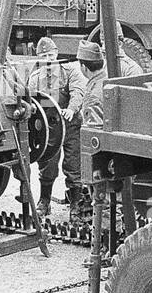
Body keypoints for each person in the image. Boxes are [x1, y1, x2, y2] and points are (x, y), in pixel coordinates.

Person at [27, 37, 85, 217]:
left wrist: (71, 109)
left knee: (74, 165)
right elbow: (31, 100)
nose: (48, 59)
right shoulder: (35, 78)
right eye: (43, 55)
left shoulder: (70, 71)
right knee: (47, 166)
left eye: (50, 54)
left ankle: (76, 204)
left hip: (71, 127)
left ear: (57, 53)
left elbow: (78, 92)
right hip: (49, 132)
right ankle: (44, 202)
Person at [68, 39, 108, 222]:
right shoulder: (107, 81)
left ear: (84, 67)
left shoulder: (92, 94)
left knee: (103, 202)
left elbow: (94, 137)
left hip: (101, 162)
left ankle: (105, 238)